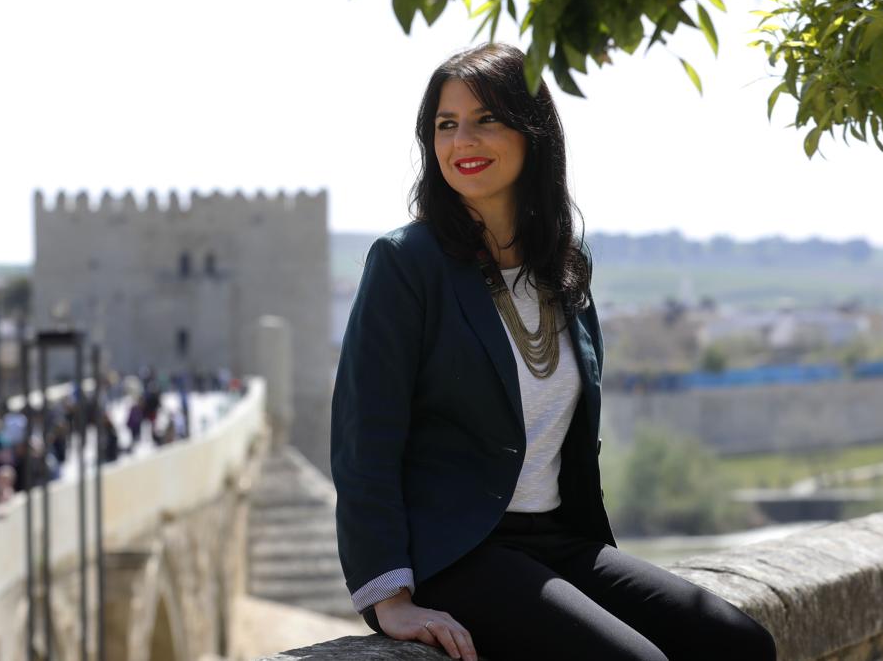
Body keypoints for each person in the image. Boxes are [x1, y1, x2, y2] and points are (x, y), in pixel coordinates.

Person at [330, 43, 778, 661]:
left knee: (738, 644)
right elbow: (364, 437)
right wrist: (390, 597)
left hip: (559, 539)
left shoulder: (564, 267)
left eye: (486, 118)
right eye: (445, 124)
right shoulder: (407, 263)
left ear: (532, 130)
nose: (463, 141)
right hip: (457, 550)